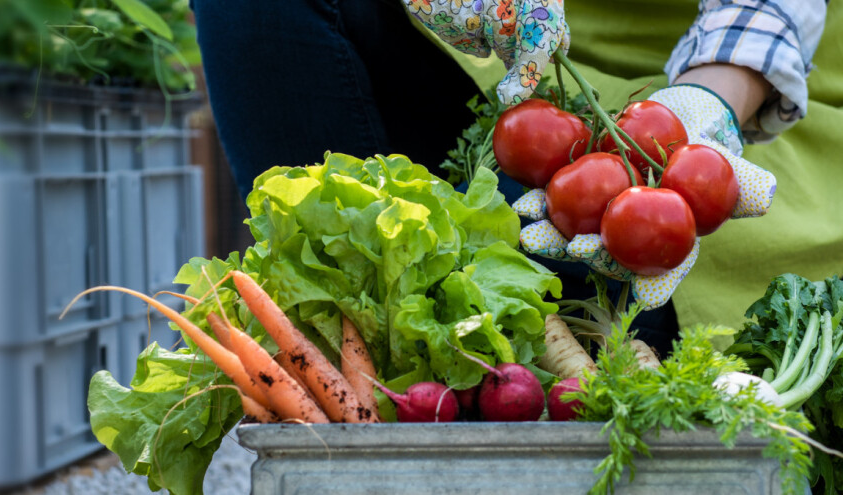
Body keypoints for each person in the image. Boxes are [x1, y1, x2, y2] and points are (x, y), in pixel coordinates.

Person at [190, 0, 838, 354]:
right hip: (511, 106)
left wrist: (709, 108)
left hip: (724, 124)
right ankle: (352, 371)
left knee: (613, 296)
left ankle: (614, 343)